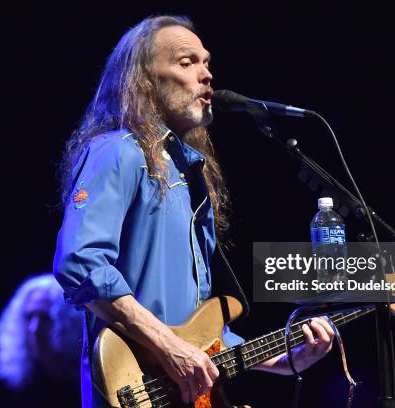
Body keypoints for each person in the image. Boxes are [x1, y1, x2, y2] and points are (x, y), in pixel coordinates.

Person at [53, 15, 335, 407]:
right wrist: (168, 346)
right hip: (132, 388)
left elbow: (201, 333)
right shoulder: (118, 151)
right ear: (145, 81)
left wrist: (284, 359)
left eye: (206, 62)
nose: (205, 75)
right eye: (187, 62)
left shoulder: (189, 172)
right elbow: (80, 263)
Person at [0, 274, 83, 408]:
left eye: (45, 318)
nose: (34, 328)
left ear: (68, 322)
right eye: (29, 317)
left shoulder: (87, 380)